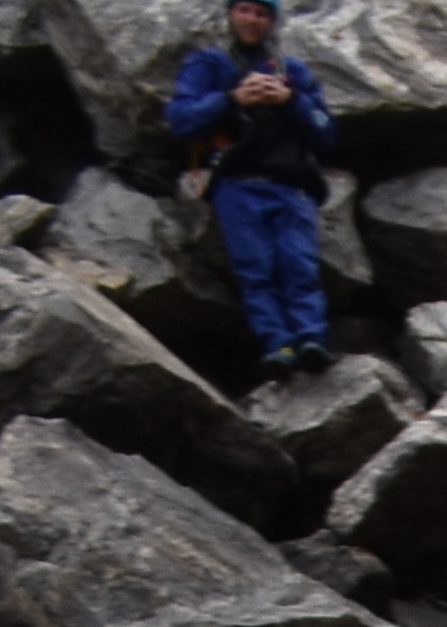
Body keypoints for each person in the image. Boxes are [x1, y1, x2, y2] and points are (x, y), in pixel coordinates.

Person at [164, 0, 340, 380]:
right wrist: (232, 100)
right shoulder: (209, 64)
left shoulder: (291, 71)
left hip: (292, 184)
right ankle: (277, 344)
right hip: (236, 183)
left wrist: (290, 100)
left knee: (299, 265)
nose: (252, 20)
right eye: (244, 10)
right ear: (230, 14)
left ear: (271, 21)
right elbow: (180, 120)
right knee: (255, 268)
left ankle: (311, 339)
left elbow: (325, 132)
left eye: (261, 13)